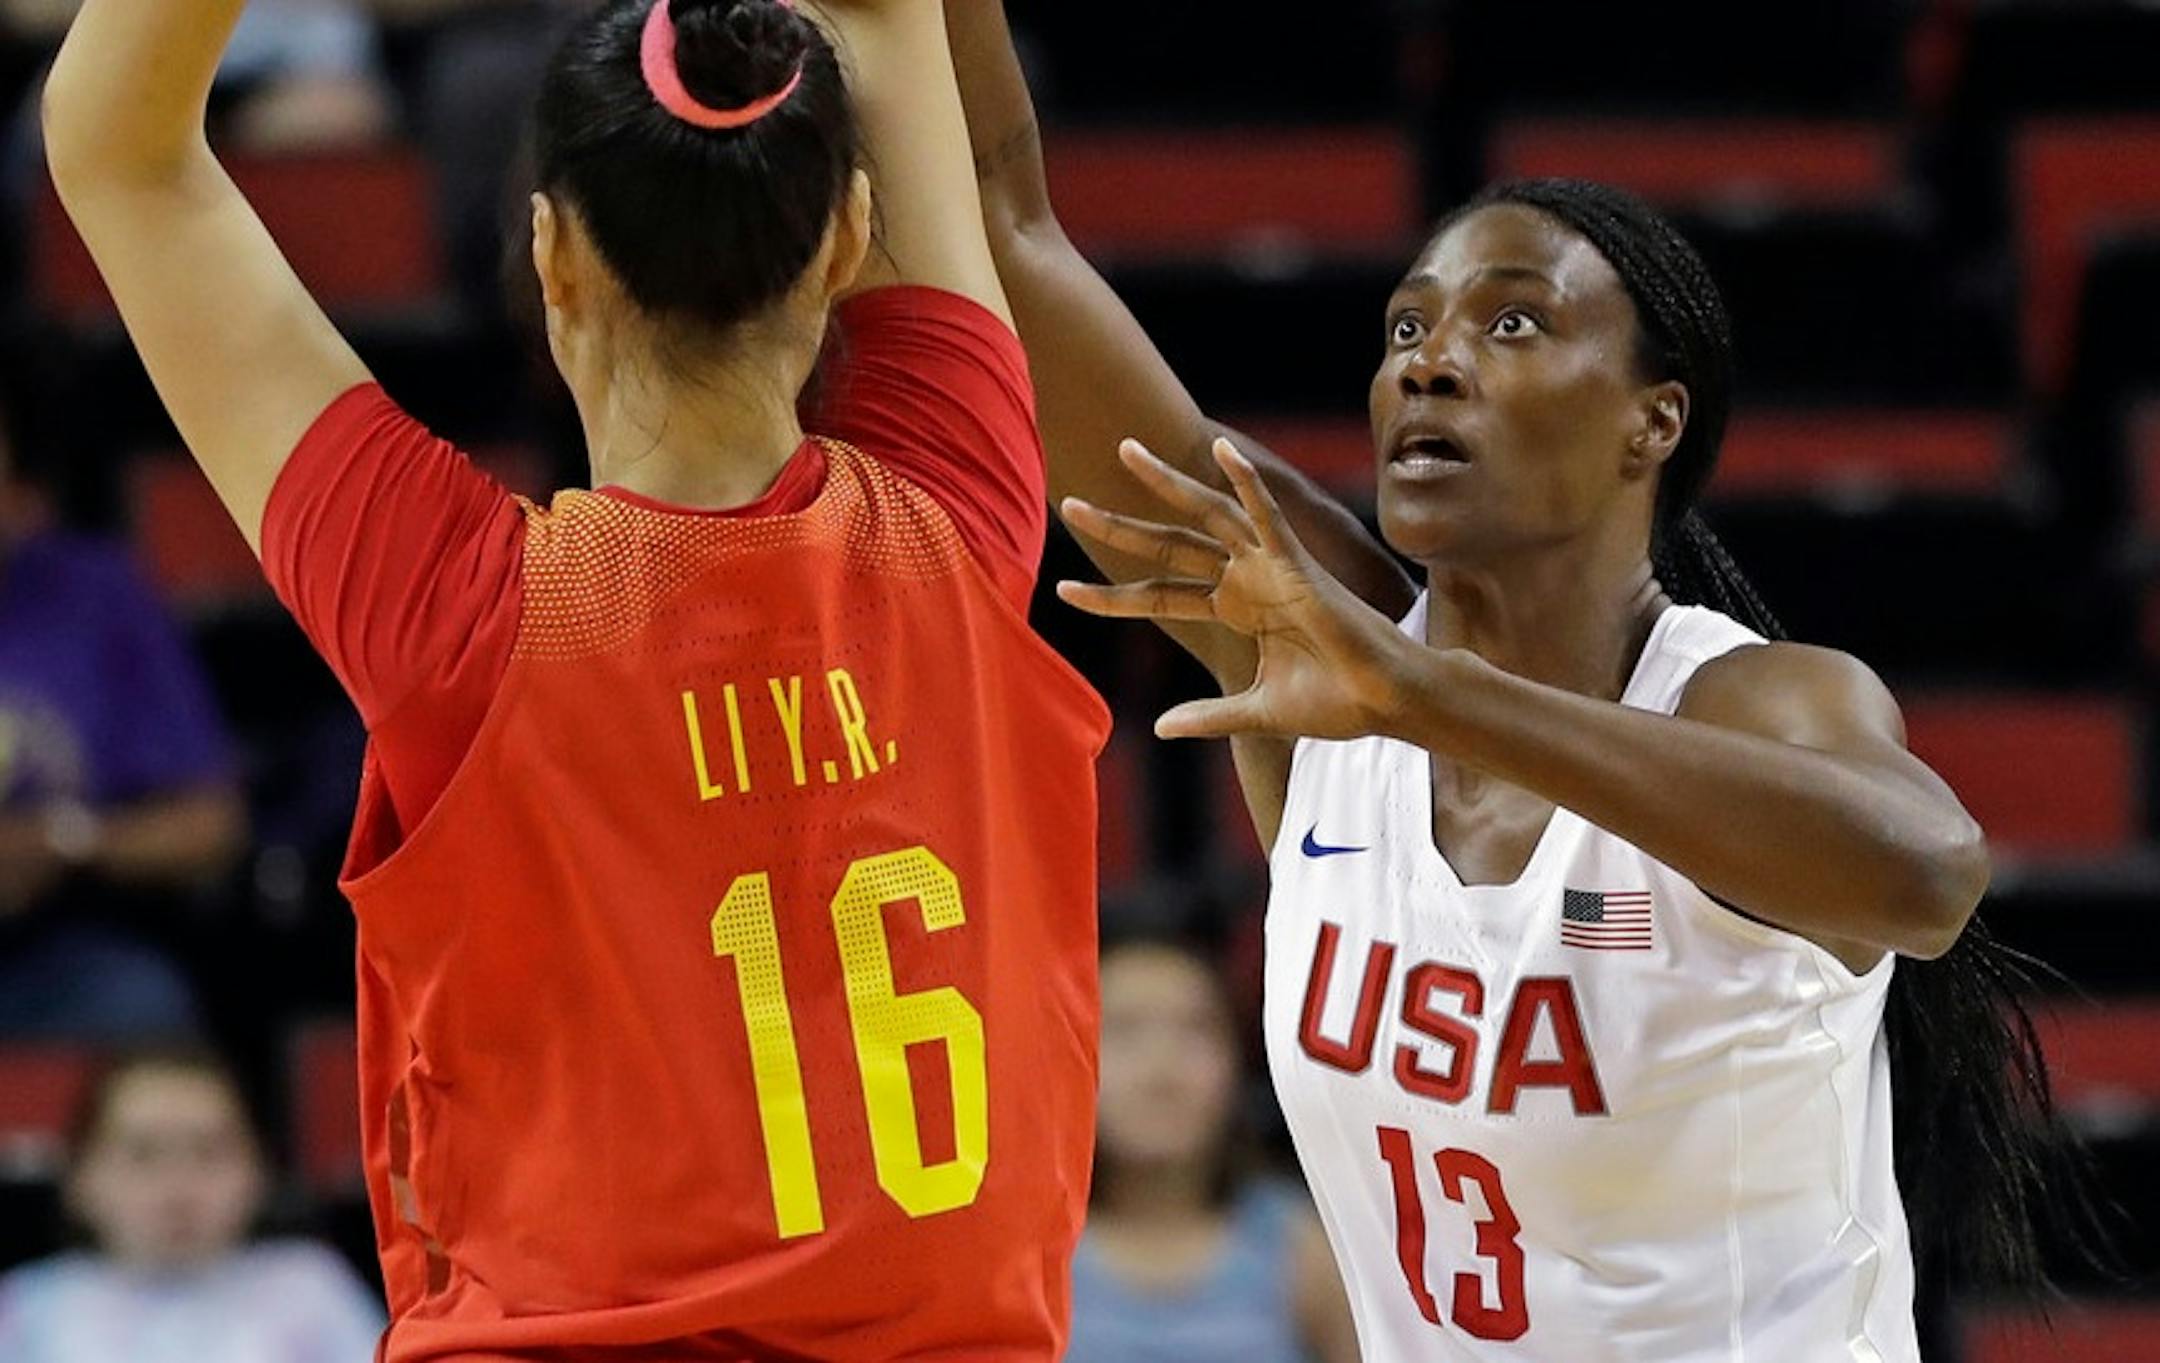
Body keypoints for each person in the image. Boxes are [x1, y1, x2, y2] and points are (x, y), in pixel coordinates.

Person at [942, 4, 2065, 1358]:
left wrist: (1427, 694)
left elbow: (1930, 877)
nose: (1428, 357)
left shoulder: (1745, 699)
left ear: (1655, 419)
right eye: (1406, 325)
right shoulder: (1316, 642)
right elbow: (1010, 238)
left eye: (1513, 321)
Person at [43, 0, 1109, 1354]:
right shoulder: (957, 518)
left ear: (550, 256)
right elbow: (888, 20)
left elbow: (116, 145)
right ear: (843, 235)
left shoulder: (468, 618)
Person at [0, 384, 245, 1040]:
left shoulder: (97, 594)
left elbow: (211, 824)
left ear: (21, 490)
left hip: (61, 957)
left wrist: (65, 839)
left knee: (143, 1004)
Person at [1069, 928, 1357, 1363]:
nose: (1161, 1071)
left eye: (1195, 1031)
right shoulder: (1027, 1259)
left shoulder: (1302, 1252)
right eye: (1123, 1032)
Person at [0, 1044, 385, 1362]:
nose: (178, 1187)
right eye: (143, 1154)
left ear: (261, 1170)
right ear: (79, 1177)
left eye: (208, 1152)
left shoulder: (310, 1286)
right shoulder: (25, 1307)